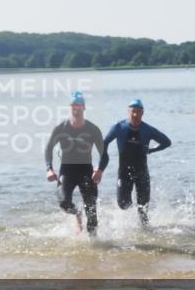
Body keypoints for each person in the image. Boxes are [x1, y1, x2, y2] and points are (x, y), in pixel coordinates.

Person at [102, 99, 171, 227]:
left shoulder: (148, 130)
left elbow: (167, 142)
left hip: (142, 173)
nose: (135, 114)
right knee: (123, 204)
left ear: (142, 113)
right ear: (128, 112)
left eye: (138, 111)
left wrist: (151, 150)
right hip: (124, 172)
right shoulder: (119, 127)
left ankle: (145, 231)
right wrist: (103, 160)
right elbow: (104, 142)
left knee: (143, 209)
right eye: (133, 111)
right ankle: (127, 225)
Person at [44, 92, 105, 235]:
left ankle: (94, 248)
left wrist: (100, 169)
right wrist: (49, 169)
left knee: (92, 215)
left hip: (86, 171)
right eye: (73, 105)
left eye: (78, 105)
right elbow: (48, 148)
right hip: (67, 170)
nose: (75, 108)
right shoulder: (61, 128)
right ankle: (77, 214)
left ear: (83, 107)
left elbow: (104, 153)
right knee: (64, 202)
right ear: (70, 107)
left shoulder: (92, 129)